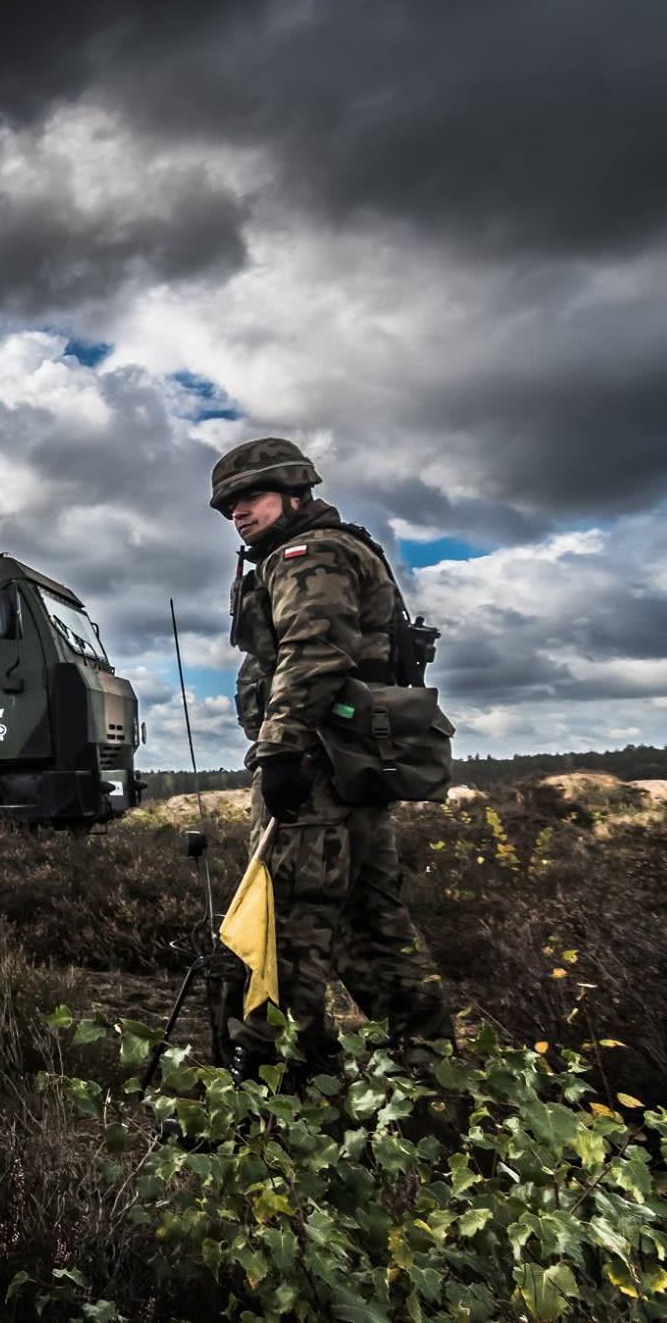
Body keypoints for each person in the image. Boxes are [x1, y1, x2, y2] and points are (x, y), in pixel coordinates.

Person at [212, 436, 453, 1083]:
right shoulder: (334, 548)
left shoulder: (308, 554)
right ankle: (435, 1069)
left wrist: (280, 749)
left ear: (296, 494)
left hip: (316, 774)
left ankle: (280, 1076)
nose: (239, 511)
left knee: (286, 928)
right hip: (349, 774)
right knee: (373, 926)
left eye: (252, 496)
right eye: (230, 503)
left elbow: (316, 651)